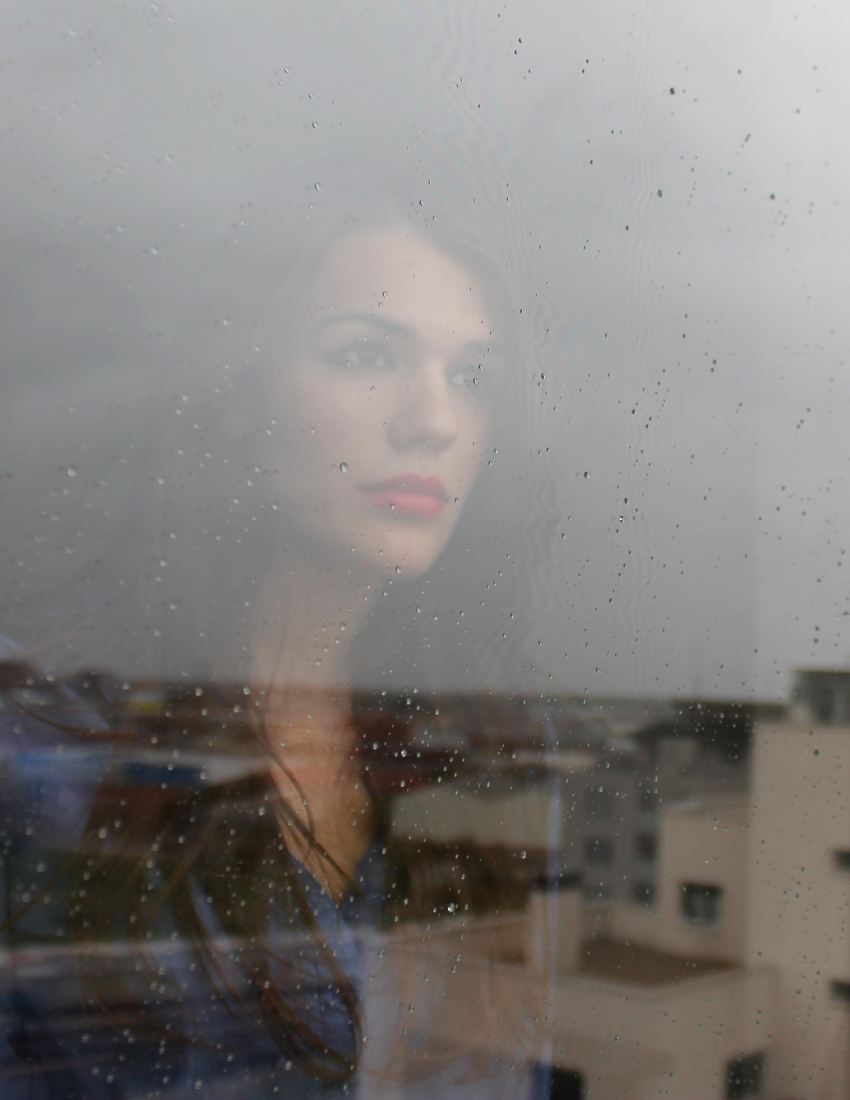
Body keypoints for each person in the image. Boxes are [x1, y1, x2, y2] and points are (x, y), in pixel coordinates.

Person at [0, 176, 550, 1097]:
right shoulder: (40, 744)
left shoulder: (489, 760)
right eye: (365, 355)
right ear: (233, 397)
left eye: (472, 378)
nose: (435, 420)